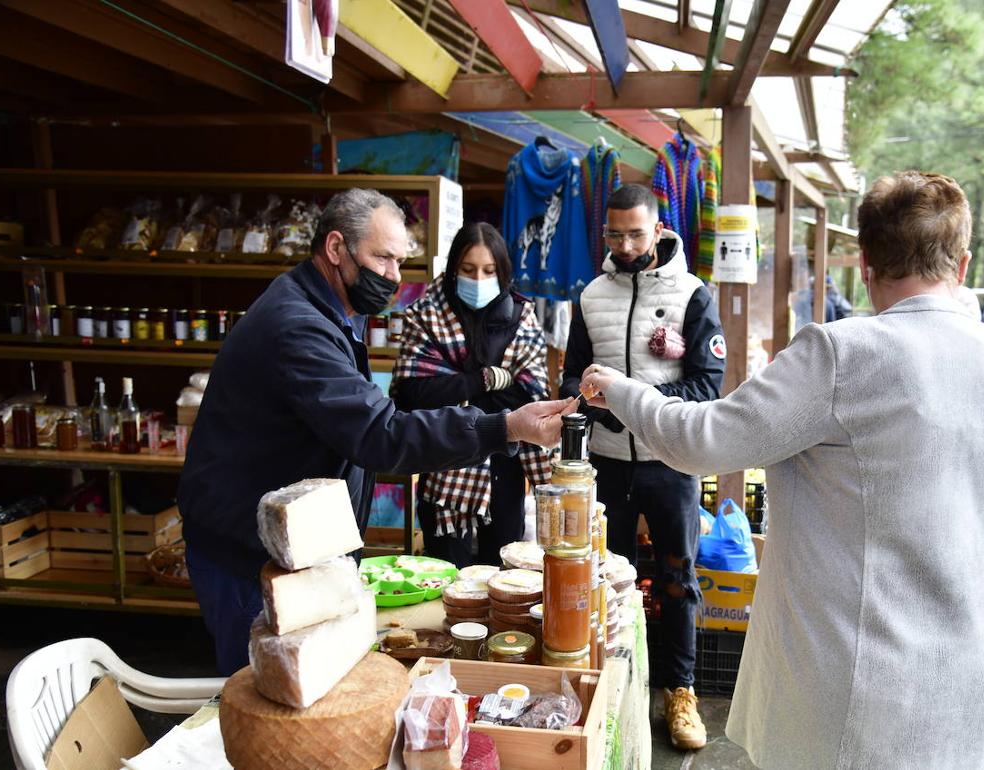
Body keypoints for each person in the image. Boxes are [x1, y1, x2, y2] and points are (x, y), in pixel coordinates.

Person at [572, 171, 984, 768]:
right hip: (973, 679)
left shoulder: (839, 354)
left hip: (848, 687)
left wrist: (623, 391)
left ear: (865, 264)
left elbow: (701, 441)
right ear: (960, 265)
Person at [178, 189, 570, 675]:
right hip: (247, 554)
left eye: (400, 260)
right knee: (258, 703)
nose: (392, 275)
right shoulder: (298, 325)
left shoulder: (329, 311)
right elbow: (381, 434)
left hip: (282, 545)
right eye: (381, 257)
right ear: (337, 248)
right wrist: (505, 425)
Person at [560, 183, 725, 751]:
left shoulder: (693, 294)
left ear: (658, 230)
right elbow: (571, 378)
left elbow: (708, 385)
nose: (625, 244)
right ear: (604, 233)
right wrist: (601, 414)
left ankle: (679, 693)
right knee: (609, 581)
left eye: (636, 232)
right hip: (607, 464)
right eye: (614, 234)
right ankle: (618, 685)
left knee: (677, 581)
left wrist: (636, 404)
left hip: (672, 463)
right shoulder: (590, 297)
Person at [392, 223, 552, 566]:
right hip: (443, 466)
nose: (478, 280)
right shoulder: (426, 315)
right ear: (453, 271)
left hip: (505, 466)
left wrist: (455, 390)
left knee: (503, 573)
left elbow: (531, 394)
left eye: (488, 271)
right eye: (468, 270)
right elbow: (411, 393)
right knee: (447, 576)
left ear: (502, 272)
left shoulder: (521, 318)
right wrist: (486, 380)